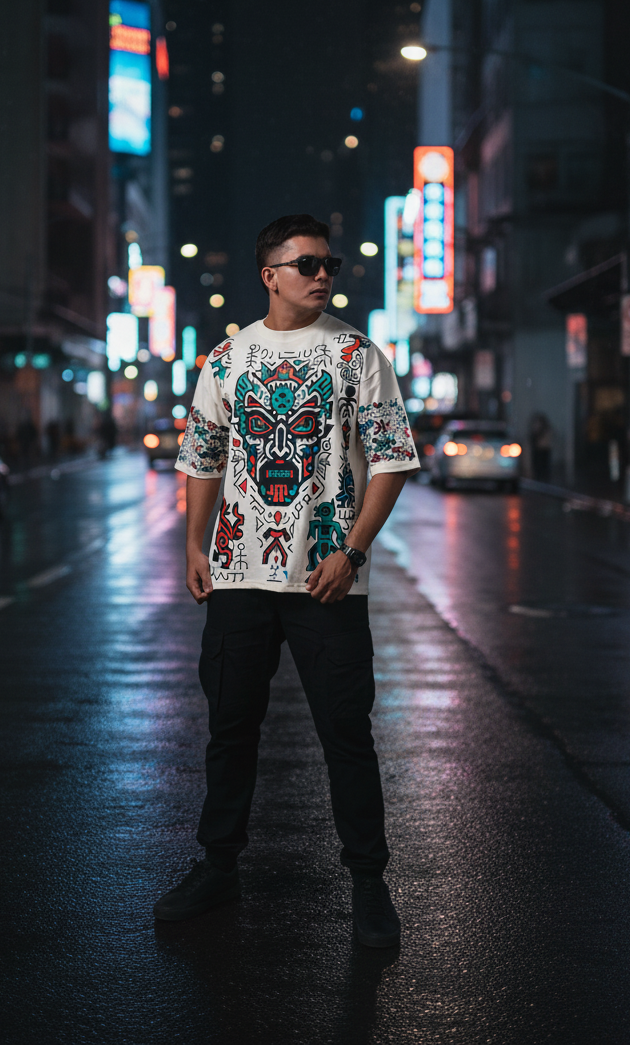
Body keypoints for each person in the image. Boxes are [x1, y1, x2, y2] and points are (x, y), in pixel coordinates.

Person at [154, 214, 421, 947]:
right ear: (268, 274)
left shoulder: (356, 352)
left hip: (326, 577)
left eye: (329, 263)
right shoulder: (226, 356)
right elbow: (202, 457)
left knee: (345, 730)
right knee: (230, 728)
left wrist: (354, 553)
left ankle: (370, 885)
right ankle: (218, 868)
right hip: (240, 574)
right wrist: (196, 545)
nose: (322, 274)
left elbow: (393, 458)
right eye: (306, 264)